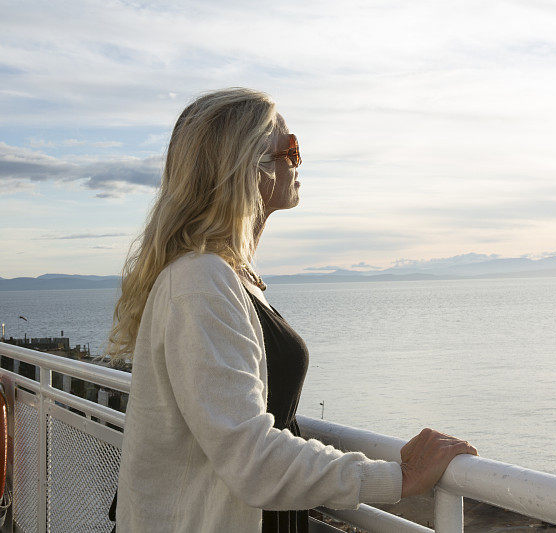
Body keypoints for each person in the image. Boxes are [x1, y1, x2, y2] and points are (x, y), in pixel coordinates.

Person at [105, 87, 478, 533]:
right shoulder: (200, 283)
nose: (299, 163)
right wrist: (398, 477)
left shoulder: (226, 277)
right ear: (250, 166)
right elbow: (251, 456)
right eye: (292, 149)